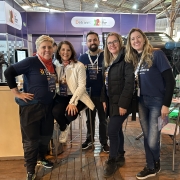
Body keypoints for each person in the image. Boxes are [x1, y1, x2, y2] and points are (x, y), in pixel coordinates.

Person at [4, 35, 56, 180]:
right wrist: (17, 93)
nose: (47, 49)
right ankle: (30, 169)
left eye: (49, 47)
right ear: (38, 49)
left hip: (48, 107)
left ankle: (41, 158)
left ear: (53, 49)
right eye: (43, 47)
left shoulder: (52, 64)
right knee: (31, 140)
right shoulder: (31, 62)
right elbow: (8, 72)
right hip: (31, 108)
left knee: (45, 137)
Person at [125, 28, 175, 180]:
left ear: (144, 39)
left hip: (157, 102)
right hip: (142, 101)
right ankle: (151, 165)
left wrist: (166, 105)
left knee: (153, 138)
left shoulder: (157, 54)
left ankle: (156, 161)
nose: (136, 41)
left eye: (138, 37)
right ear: (130, 43)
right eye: (132, 39)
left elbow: (170, 81)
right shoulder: (135, 59)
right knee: (147, 135)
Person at [101, 32, 134, 177]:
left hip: (122, 103)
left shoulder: (126, 59)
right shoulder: (108, 61)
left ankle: (112, 160)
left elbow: (129, 83)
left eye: (115, 42)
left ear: (120, 43)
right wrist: (103, 99)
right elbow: (104, 83)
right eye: (109, 43)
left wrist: (123, 104)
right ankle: (120, 155)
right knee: (117, 130)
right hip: (110, 102)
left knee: (112, 131)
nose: (112, 45)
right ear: (107, 46)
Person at [52, 41, 95, 143]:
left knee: (71, 114)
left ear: (72, 52)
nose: (65, 52)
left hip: (77, 96)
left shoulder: (79, 66)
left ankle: (64, 126)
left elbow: (81, 87)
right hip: (62, 95)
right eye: (63, 49)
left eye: (68, 50)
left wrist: (72, 103)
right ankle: (64, 128)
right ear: (58, 51)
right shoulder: (56, 64)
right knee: (55, 112)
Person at [79, 31, 109, 152]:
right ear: (86, 43)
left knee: (103, 120)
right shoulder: (82, 58)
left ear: (99, 41)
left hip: (102, 95)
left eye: (95, 40)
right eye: (90, 40)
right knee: (89, 120)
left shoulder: (105, 56)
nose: (93, 42)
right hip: (88, 95)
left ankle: (104, 142)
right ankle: (89, 140)